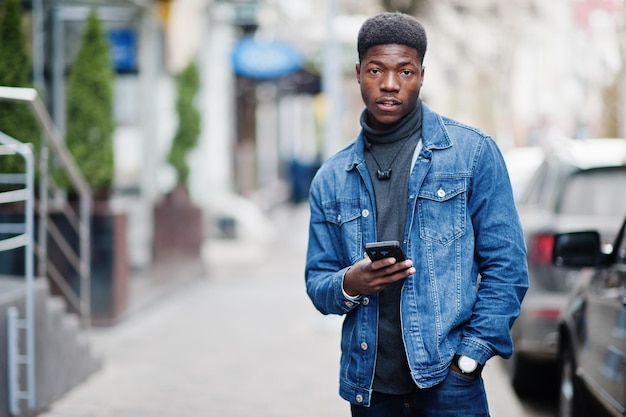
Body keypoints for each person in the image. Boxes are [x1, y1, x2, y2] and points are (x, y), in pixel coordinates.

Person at [304, 12, 528, 417]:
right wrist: (351, 283)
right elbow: (318, 282)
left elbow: (507, 267)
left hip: (450, 383)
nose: (390, 84)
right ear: (357, 73)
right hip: (370, 389)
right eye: (376, 70)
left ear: (422, 74)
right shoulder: (331, 178)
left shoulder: (472, 153)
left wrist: (470, 359)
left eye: (404, 71)